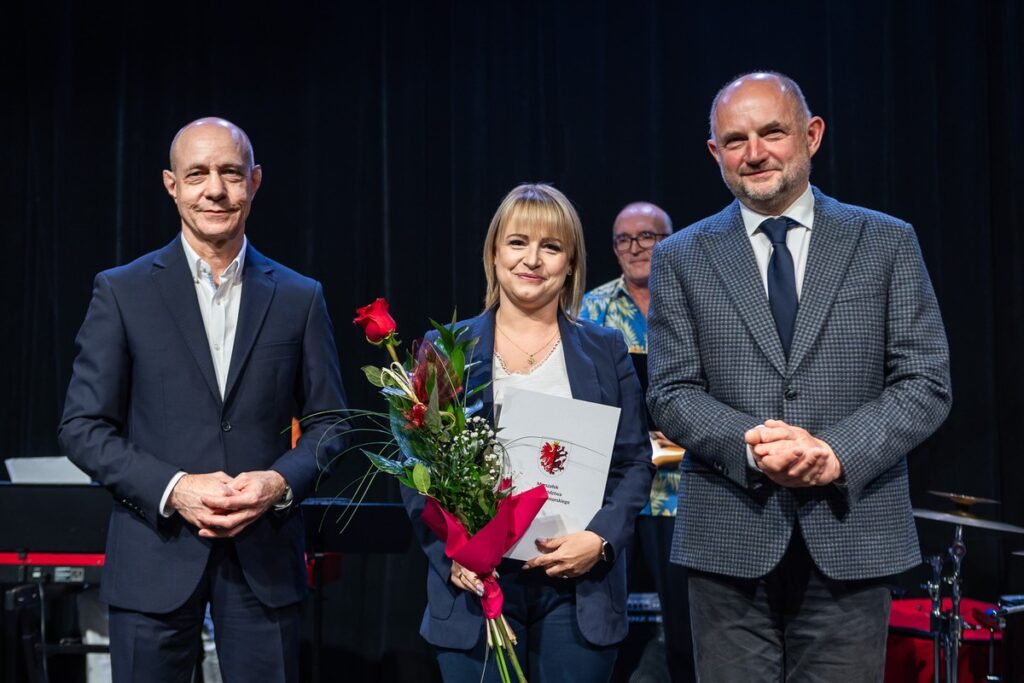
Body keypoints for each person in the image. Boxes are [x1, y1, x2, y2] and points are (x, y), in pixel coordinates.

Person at [647, 72, 952, 682]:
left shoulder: (886, 240)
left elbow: (925, 382)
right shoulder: (680, 255)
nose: (754, 153)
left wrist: (835, 453)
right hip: (728, 543)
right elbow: (671, 392)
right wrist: (754, 447)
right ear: (714, 152)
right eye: (735, 140)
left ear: (811, 135)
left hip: (853, 533)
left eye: (772, 133)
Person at [58, 117, 348, 683]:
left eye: (231, 173)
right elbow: (82, 426)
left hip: (264, 564)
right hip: (153, 557)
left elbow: (331, 424)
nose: (215, 189)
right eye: (197, 174)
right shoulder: (122, 291)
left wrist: (277, 483)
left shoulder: (299, 297)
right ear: (172, 185)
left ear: (254, 182)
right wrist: (176, 488)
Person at [403, 183, 655, 682]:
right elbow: (418, 469)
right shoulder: (446, 347)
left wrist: (601, 540)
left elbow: (633, 463)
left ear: (570, 262)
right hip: (478, 587)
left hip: (578, 588)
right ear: (494, 253)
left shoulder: (606, 349)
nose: (532, 259)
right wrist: (452, 554)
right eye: (517, 242)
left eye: (551, 246)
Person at [580, 202, 695, 682]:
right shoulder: (593, 308)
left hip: (684, 492)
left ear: (671, 240)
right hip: (617, 489)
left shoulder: (696, 296)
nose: (635, 247)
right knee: (608, 624)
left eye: (647, 236)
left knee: (687, 630)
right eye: (624, 239)